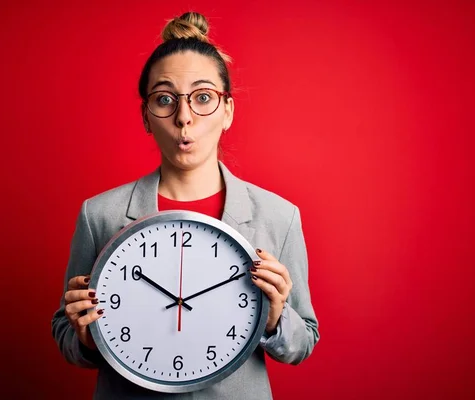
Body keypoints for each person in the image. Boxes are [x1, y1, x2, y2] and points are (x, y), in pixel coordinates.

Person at [51, 11, 320, 399]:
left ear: (227, 110)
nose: (184, 118)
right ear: (146, 115)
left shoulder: (279, 216)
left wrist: (275, 320)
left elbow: (304, 341)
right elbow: (65, 331)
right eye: (164, 99)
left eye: (203, 98)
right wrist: (85, 335)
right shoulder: (100, 214)